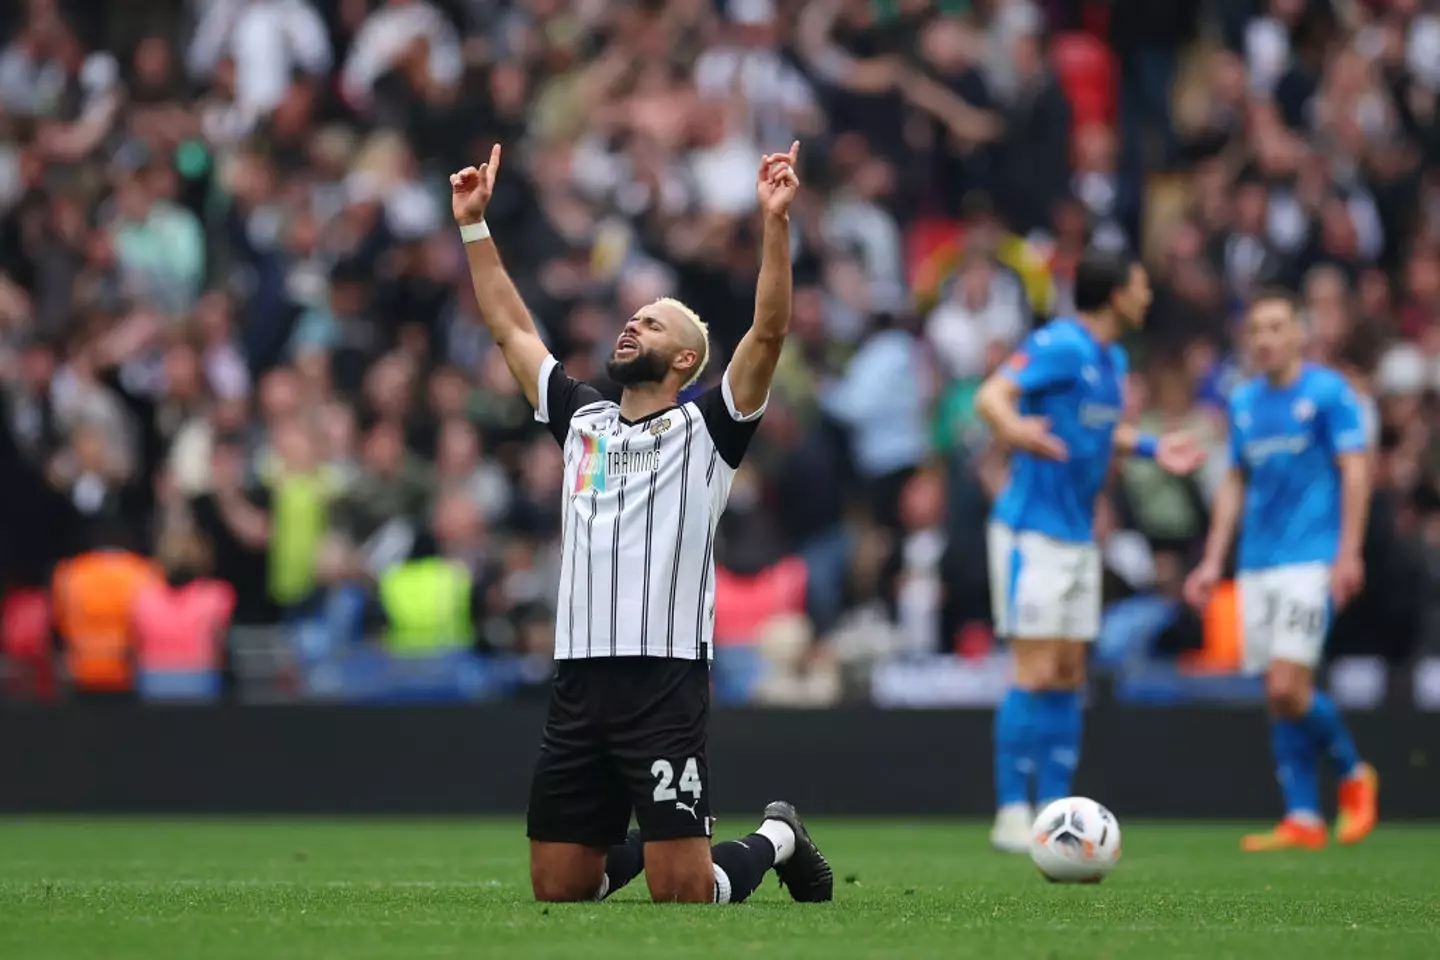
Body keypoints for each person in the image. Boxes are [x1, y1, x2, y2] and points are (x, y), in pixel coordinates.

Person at [448, 143, 832, 904]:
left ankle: (777, 837)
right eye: (631, 319)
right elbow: (513, 333)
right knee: (559, 889)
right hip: (579, 677)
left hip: (663, 679)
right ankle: (653, 843)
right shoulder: (583, 420)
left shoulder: (710, 430)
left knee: (682, 895)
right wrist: (473, 228)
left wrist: (775, 225)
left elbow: (768, 333)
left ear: (685, 358)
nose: (631, 327)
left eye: (651, 325)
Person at [976, 250, 1205, 853]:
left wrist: (1155, 448)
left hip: (1077, 537)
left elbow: (1099, 430)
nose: (1148, 295)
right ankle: (1009, 808)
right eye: (1141, 283)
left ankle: (1055, 809)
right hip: (1031, 531)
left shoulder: (1111, 358)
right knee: (1035, 668)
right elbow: (991, 396)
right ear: (1114, 292)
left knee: (1072, 672)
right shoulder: (1061, 344)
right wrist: (1016, 430)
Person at [1183, 291, 1379, 852]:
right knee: (1279, 694)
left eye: (1276, 327)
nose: (1265, 339)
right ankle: (1302, 818)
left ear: (1299, 333)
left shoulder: (1327, 393)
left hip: (1310, 561)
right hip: (1256, 564)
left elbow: (1356, 471)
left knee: (1285, 684)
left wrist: (1349, 552)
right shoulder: (1244, 402)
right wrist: (1214, 559)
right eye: (1256, 331)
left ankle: (1353, 773)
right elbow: (1235, 480)